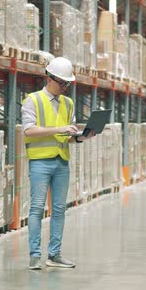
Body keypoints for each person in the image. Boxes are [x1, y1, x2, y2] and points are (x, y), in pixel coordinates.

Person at [21, 57, 95, 270]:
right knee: (36, 209)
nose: (64, 87)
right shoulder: (32, 100)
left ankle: (55, 254)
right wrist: (59, 129)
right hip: (40, 162)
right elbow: (29, 130)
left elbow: (69, 136)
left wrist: (81, 137)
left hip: (61, 162)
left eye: (67, 84)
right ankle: (35, 256)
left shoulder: (68, 104)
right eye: (62, 83)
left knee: (60, 209)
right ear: (49, 77)